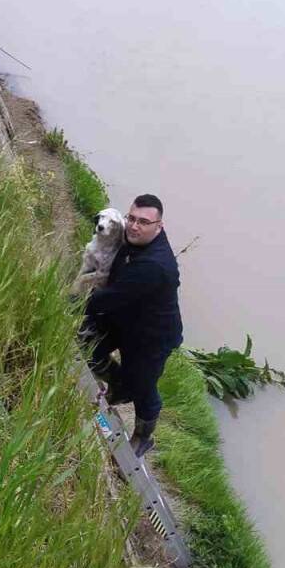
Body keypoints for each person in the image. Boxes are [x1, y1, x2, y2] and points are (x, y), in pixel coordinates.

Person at [81, 193, 183, 458]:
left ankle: (142, 437)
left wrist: (76, 303)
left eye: (144, 222)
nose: (135, 226)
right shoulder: (132, 238)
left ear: (159, 226)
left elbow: (112, 296)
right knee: (89, 346)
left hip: (152, 336)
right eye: (132, 218)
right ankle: (119, 386)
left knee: (143, 386)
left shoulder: (155, 266)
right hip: (126, 318)